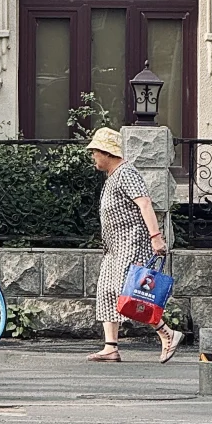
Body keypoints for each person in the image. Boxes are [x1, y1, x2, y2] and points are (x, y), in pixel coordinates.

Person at [85, 127, 183, 364]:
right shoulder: (113, 176)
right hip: (114, 247)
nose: (93, 157)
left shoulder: (126, 172)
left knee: (128, 292)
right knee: (107, 291)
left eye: (95, 152)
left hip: (132, 242)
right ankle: (110, 347)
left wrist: (156, 237)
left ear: (107, 153)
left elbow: (145, 204)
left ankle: (166, 332)